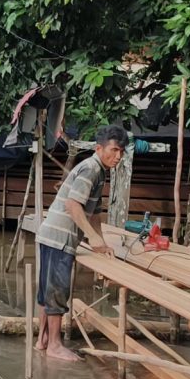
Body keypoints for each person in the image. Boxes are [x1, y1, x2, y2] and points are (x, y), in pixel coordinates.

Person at [35, 124, 127, 361]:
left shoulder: (99, 171)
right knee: (56, 291)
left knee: (47, 290)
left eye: (121, 152)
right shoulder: (91, 170)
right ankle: (54, 345)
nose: (117, 156)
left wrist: (101, 241)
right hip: (60, 237)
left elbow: (93, 213)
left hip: (50, 234)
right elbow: (73, 205)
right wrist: (92, 238)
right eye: (114, 150)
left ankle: (42, 340)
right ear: (99, 148)